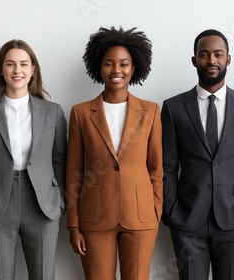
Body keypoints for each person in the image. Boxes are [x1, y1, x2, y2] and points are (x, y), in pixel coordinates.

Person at [161, 29, 234, 280]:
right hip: (187, 219)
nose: (211, 60)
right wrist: (171, 211)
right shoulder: (173, 108)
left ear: (228, 59)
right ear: (194, 60)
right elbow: (167, 166)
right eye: (204, 55)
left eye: (218, 54)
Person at [66, 26, 163, 280]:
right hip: (94, 219)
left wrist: (155, 210)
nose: (116, 70)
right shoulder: (80, 113)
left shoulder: (151, 111)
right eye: (109, 64)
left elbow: (156, 169)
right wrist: (73, 224)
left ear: (134, 68)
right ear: (99, 67)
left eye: (123, 64)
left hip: (141, 218)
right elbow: (74, 172)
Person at [0, 39, 67, 280]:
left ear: (33, 70)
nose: (17, 70)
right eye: (10, 64)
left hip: (43, 204)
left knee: (43, 276)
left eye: (24, 64)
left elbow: (60, 158)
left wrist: (60, 200)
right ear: (1, 70)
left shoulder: (53, 111)